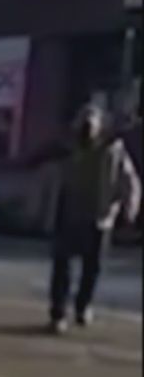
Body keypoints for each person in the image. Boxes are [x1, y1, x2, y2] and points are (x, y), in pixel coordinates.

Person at [47, 104, 140, 334]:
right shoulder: (67, 148)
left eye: (90, 128)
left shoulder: (112, 150)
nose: (86, 133)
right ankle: (58, 312)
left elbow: (129, 181)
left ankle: (82, 306)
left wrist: (129, 208)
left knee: (92, 267)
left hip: (99, 217)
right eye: (83, 128)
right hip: (69, 214)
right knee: (62, 267)